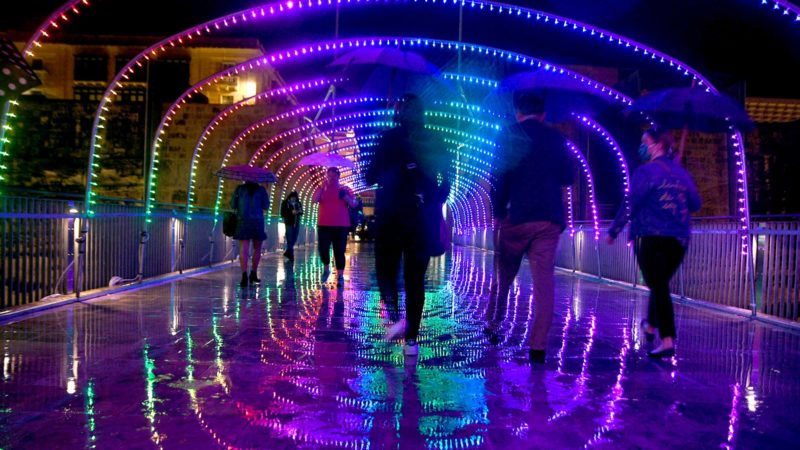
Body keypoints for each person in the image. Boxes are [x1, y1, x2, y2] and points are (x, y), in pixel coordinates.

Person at [486, 91, 574, 365]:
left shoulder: (509, 135)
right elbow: (568, 177)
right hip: (548, 220)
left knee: (504, 274)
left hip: (517, 217)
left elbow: (498, 177)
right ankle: (538, 346)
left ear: (518, 113)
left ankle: (493, 325)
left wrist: (498, 212)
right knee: (543, 283)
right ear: (543, 114)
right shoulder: (557, 138)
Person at [365, 93, 452, 357]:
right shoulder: (435, 139)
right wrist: (433, 199)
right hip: (421, 218)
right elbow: (447, 179)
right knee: (416, 280)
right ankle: (411, 340)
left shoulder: (388, 139)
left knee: (386, 271)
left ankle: (394, 319)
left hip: (391, 216)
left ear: (400, 112)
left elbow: (369, 176)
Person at [607, 127, 701, 358]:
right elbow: (696, 203)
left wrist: (614, 230)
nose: (641, 147)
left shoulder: (645, 172)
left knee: (658, 285)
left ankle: (667, 339)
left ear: (657, 145)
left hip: (649, 237)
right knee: (659, 284)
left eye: (645, 142)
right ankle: (650, 326)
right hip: (679, 239)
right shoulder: (681, 174)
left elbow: (631, 203)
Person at [312, 167, 357, 283]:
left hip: (341, 225)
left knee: (339, 250)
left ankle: (340, 276)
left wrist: (345, 197)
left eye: (334, 176)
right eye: (329, 176)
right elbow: (314, 200)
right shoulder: (322, 188)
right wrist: (321, 188)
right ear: (326, 176)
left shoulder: (345, 189)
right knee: (323, 249)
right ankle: (326, 269)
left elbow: (354, 204)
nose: (331, 178)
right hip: (324, 224)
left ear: (338, 176)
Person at [230, 180, 270, 288]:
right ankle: (253, 273)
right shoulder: (261, 190)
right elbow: (266, 206)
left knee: (244, 248)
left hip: (243, 221)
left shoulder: (239, 189)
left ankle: (244, 275)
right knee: (257, 248)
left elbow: (232, 205)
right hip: (257, 221)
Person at [280, 191, 303, 260]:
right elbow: (282, 213)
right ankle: (291, 254)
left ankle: (288, 251)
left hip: (296, 223)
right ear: (290, 197)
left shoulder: (298, 204)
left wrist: (298, 212)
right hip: (289, 223)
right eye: (293, 197)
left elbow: (302, 211)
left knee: (294, 237)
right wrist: (291, 212)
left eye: (295, 198)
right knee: (289, 237)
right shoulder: (285, 203)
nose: (294, 199)